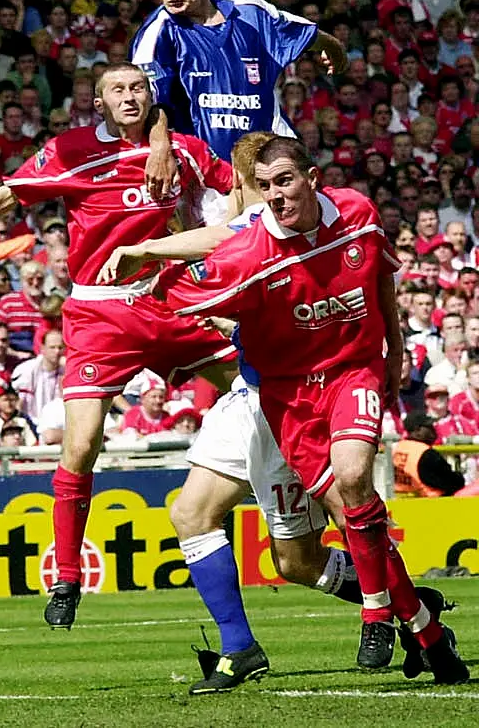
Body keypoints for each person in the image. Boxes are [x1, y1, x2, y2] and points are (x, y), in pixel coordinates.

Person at [118, 134, 467, 684]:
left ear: (309, 177)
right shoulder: (244, 237)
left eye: (278, 181)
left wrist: (394, 355)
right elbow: (212, 256)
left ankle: (404, 614)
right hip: (260, 395)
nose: (265, 196)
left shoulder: (337, 217)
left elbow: (375, 284)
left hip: (326, 380)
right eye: (254, 184)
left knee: (306, 551)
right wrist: (141, 266)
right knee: (191, 514)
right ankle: (243, 647)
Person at [0, 62, 237, 631]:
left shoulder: (182, 149)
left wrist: (219, 247)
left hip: (169, 296)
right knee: (81, 447)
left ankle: (303, 515)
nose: (128, 97)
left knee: (263, 392)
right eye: (116, 91)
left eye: (137, 88)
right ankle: (65, 576)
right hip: (100, 311)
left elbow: (239, 196)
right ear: (99, 103)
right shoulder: (72, 150)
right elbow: (7, 197)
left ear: (149, 96)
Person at [130, 0, 347, 174]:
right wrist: (160, 149)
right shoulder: (156, 32)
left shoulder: (245, 7)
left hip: (275, 159)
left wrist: (334, 48)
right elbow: (150, 102)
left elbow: (299, 31)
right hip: (209, 178)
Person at [393, 412, 465, 498]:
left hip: (400, 502)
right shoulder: (427, 454)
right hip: (431, 504)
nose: (434, 429)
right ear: (417, 430)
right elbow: (452, 482)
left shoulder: (397, 447)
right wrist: (460, 477)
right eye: (429, 427)